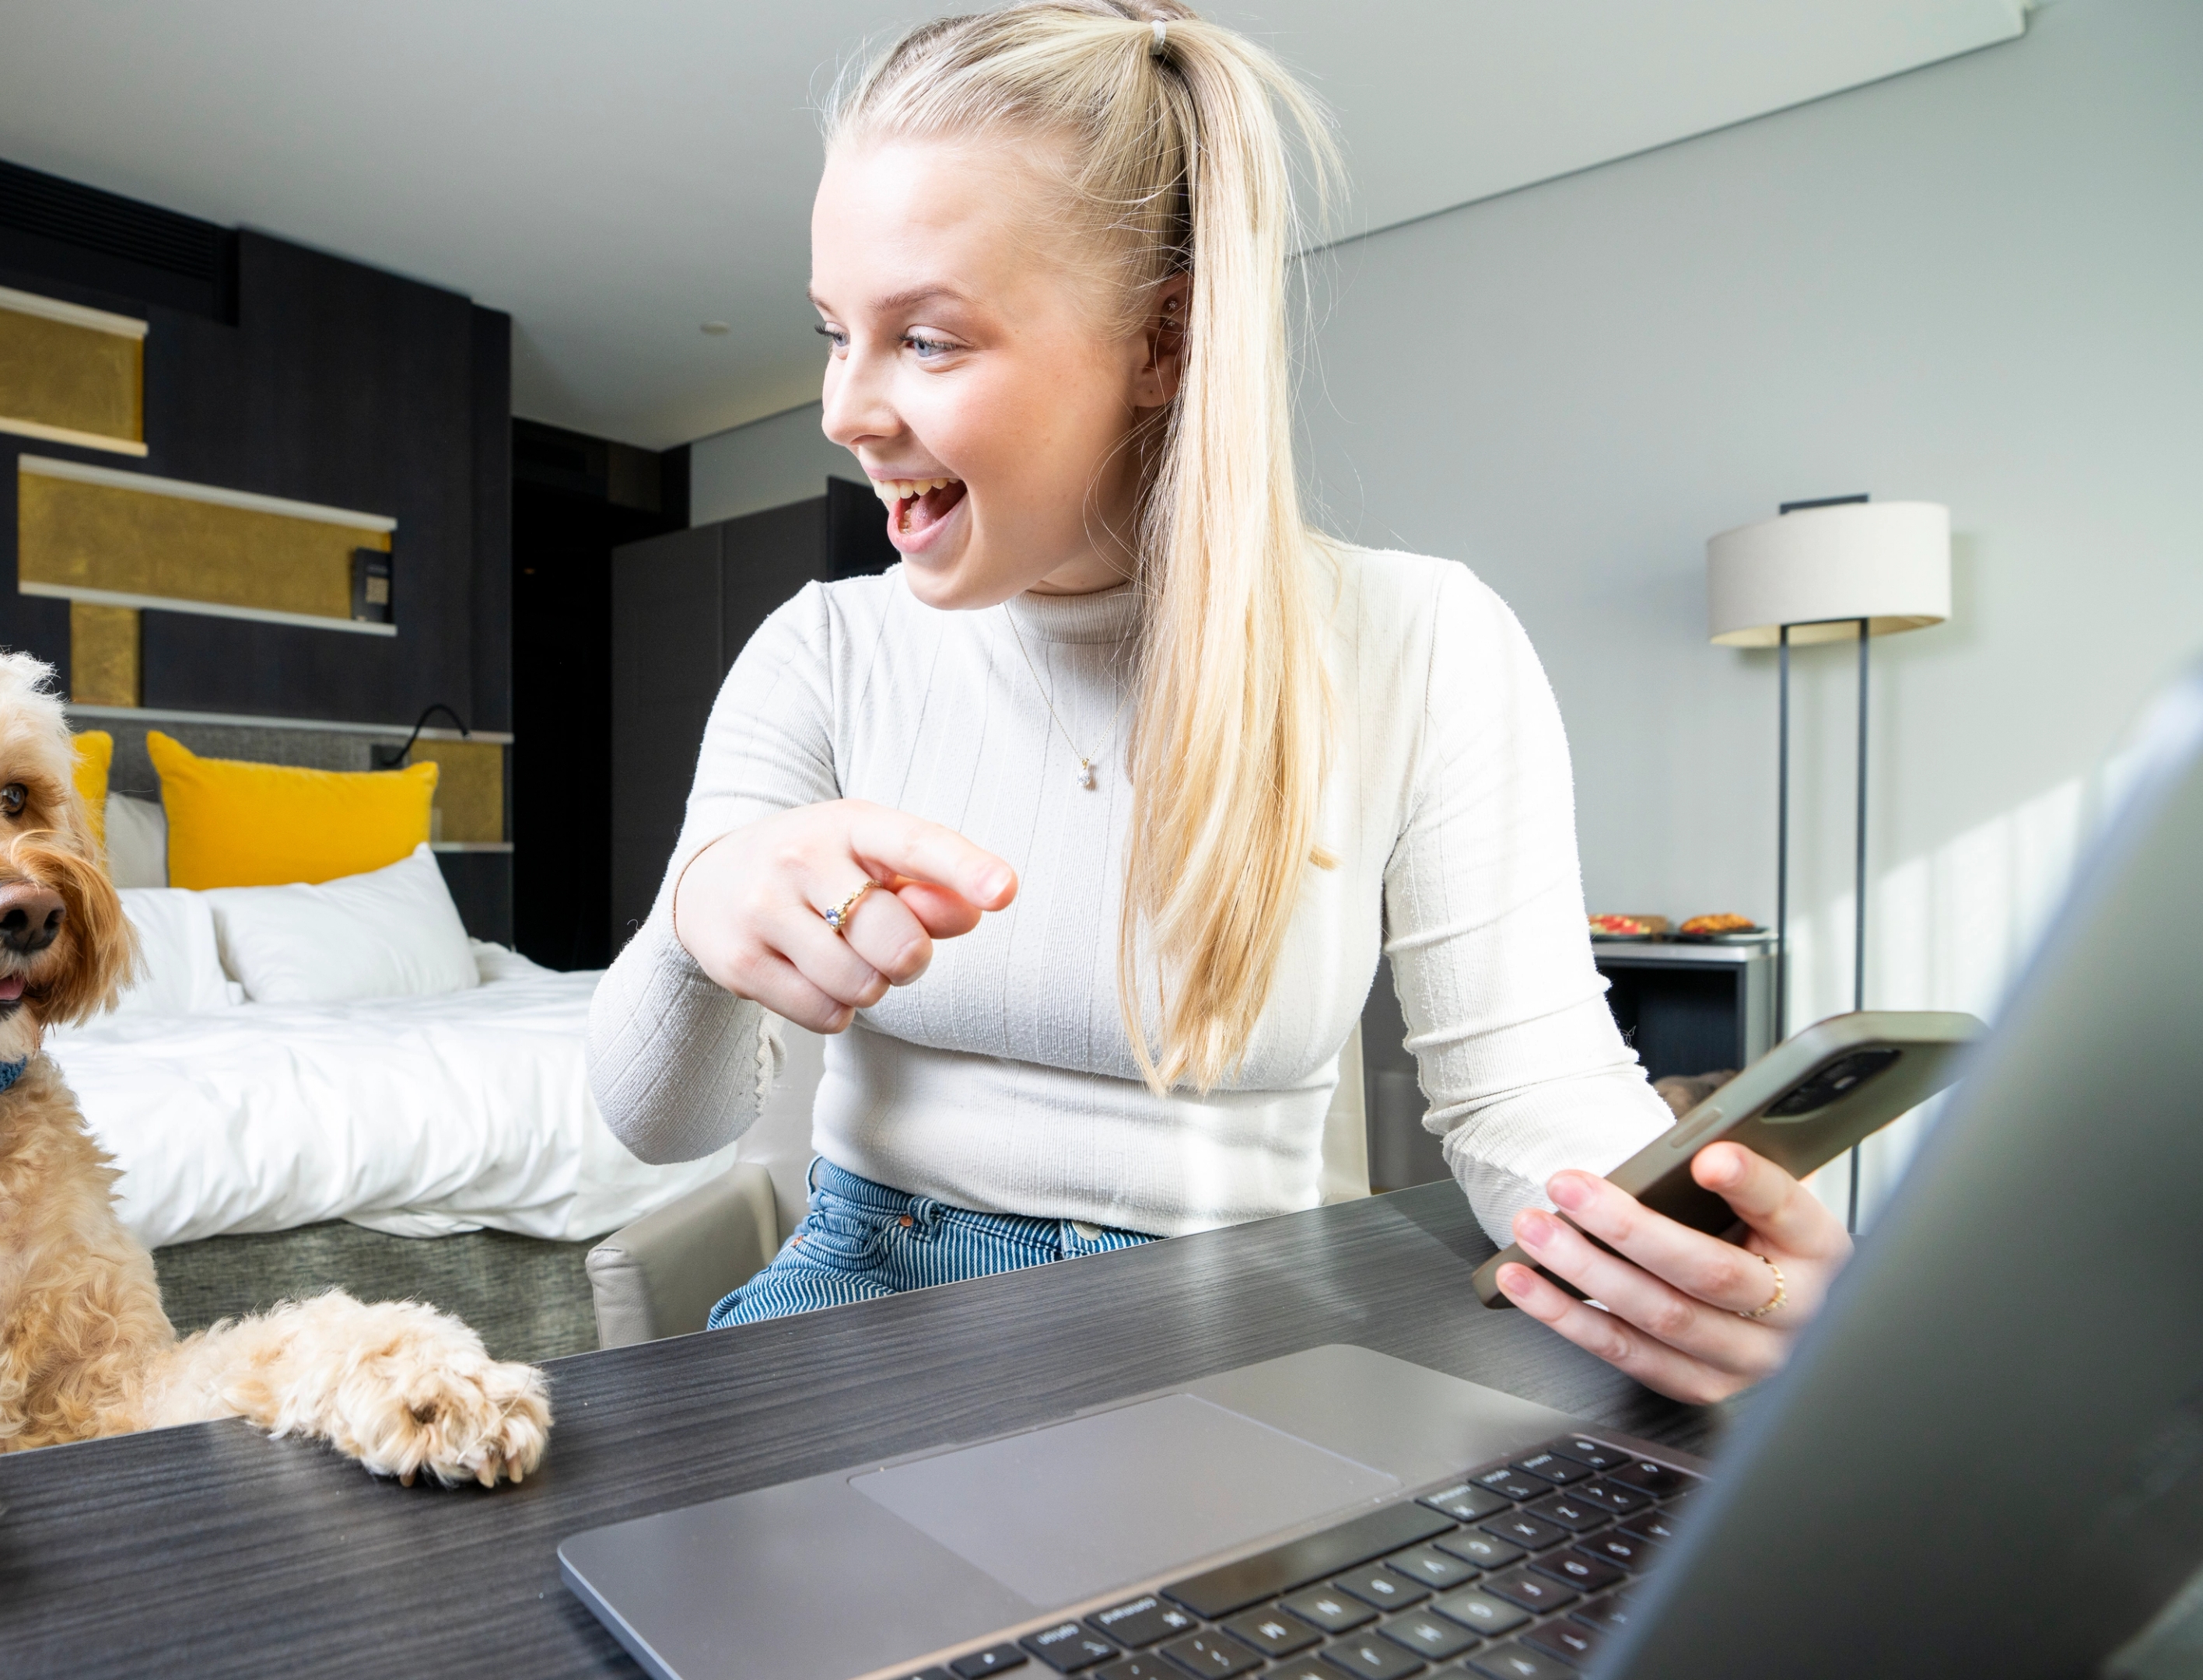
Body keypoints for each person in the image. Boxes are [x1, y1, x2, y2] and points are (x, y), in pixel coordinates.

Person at [586, 0, 1850, 1405]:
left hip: (1241, 1331)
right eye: (835, 332)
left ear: (1163, 342)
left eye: (927, 341)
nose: (844, 410)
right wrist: (700, 917)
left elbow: (1526, 1094)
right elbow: (659, 1124)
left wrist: (1689, 1258)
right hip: (867, 1293)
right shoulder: (823, 652)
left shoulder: (1425, 642)